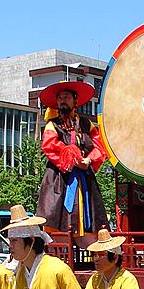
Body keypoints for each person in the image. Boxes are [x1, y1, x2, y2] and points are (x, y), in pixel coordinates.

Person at [36, 81, 107, 243]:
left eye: (66, 97)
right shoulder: (52, 125)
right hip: (58, 179)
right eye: (60, 97)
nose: (62, 100)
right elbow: (49, 146)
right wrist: (73, 159)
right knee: (56, 219)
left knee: (89, 221)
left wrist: (89, 160)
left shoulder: (86, 124)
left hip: (84, 179)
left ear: (75, 100)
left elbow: (99, 146)